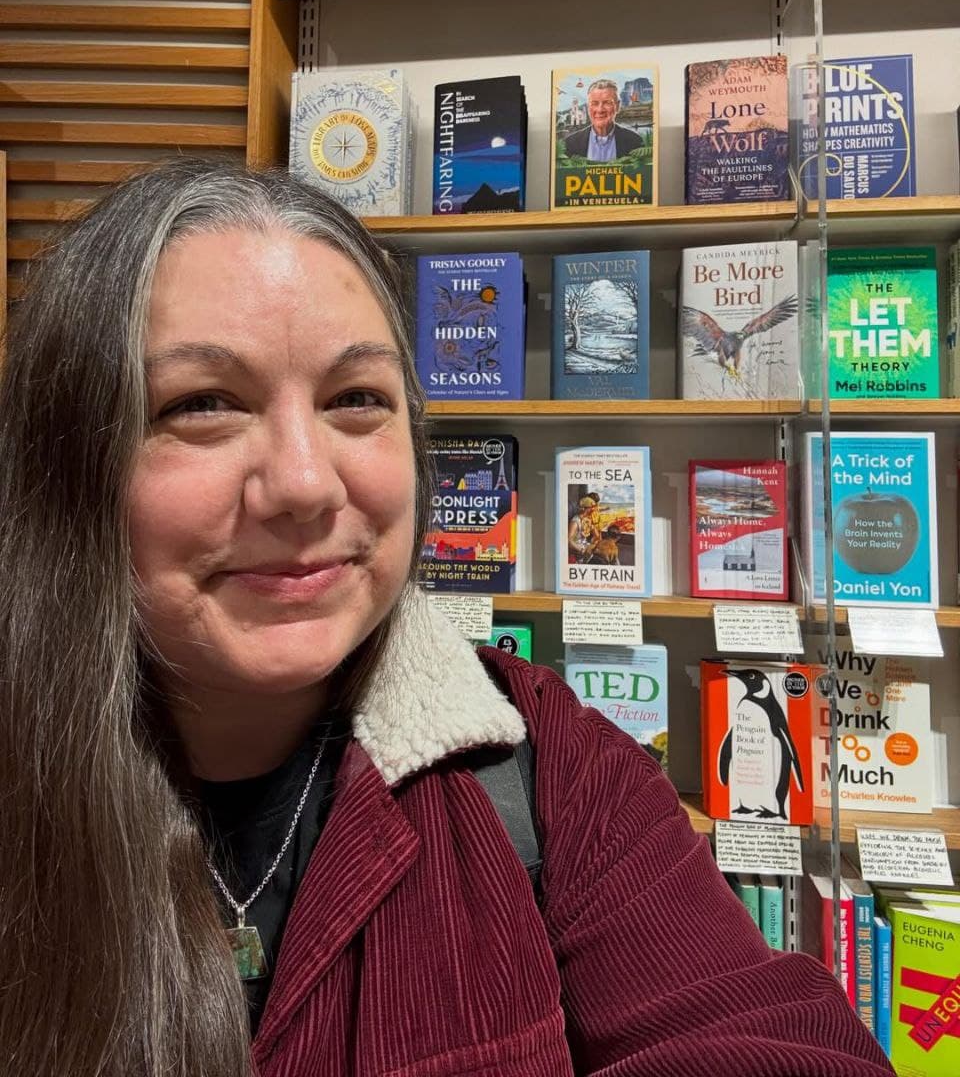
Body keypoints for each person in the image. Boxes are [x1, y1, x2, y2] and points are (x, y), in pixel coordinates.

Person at [0, 159, 894, 1077]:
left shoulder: (547, 767)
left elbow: (756, 1034)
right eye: (203, 405)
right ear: (66, 463)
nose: (307, 484)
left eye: (357, 400)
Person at [564, 77, 645, 161]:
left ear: (617, 106)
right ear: (588, 107)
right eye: (594, 103)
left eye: (607, 103)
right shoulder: (570, 144)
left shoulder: (635, 142)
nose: (600, 110)